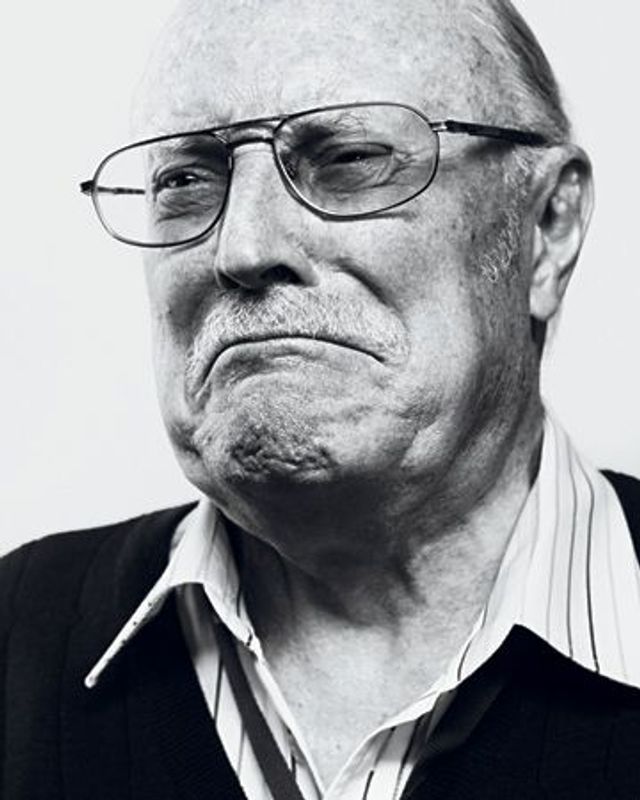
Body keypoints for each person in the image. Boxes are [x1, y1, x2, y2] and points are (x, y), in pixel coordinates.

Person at [2, 0, 639, 798]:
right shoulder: (15, 638)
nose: (243, 247)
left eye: (349, 159)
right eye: (186, 181)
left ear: (547, 226)